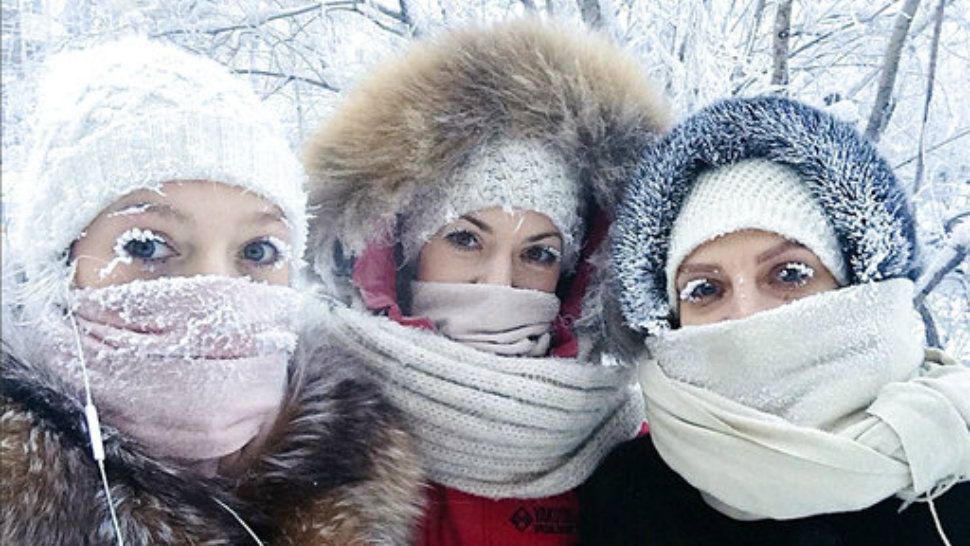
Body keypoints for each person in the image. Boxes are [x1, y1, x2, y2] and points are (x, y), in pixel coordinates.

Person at [0, 37, 421, 545]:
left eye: (259, 251)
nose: (216, 292)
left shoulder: (356, 471)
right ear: (56, 263)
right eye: (148, 247)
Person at [302, 19, 670, 546]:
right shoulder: (312, 433)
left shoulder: (631, 456)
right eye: (465, 239)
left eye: (538, 253)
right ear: (399, 253)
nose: (500, 282)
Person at [579, 95, 970, 545]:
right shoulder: (629, 497)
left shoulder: (953, 481)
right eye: (705, 289)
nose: (747, 314)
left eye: (789, 274)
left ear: (857, 287)